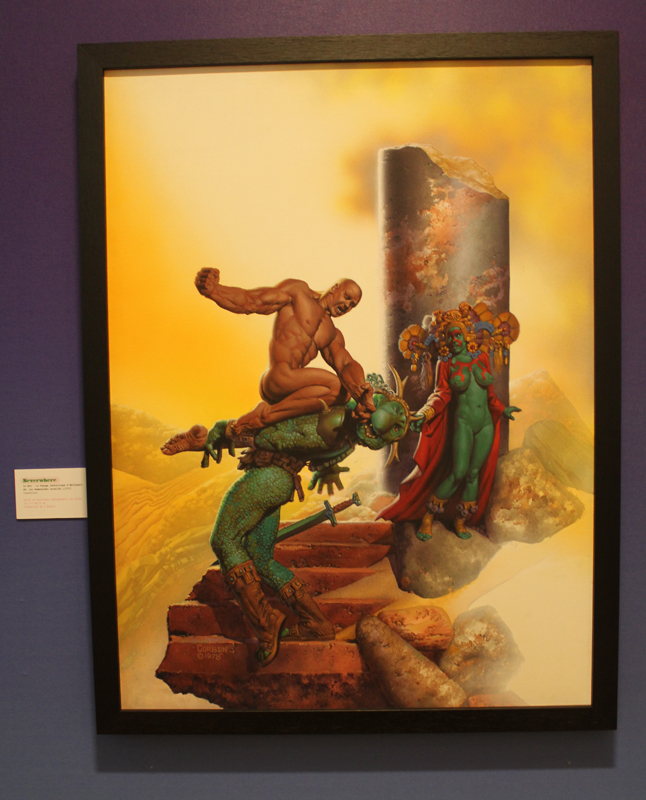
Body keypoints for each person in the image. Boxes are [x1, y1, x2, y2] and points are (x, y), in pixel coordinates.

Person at [161, 375, 413, 667]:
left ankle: (265, 622)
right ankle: (315, 622)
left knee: (224, 539)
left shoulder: (333, 421)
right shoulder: (342, 433)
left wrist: (221, 432)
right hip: (277, 480)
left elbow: (270, 435)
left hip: (268, 478)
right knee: (261, 558)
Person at [379, 311, 520, 540]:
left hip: (485, 424)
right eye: (450, 336)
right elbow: (441, 394)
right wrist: (425, 413)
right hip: (463, 423)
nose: (454, 340)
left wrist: (503, 410)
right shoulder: (446, 363)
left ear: (466, 336)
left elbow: (490, 395)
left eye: (458, 335)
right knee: (458, 472)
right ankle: (428, 516)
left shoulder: (481, 358)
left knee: (473, 474)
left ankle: (460, 520)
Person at [193, 268, 375, 432]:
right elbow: (252, 301)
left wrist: (362, 393)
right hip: (278, 377)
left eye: (353, 305)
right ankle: (264, 416)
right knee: (334, 384)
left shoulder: (332, 334)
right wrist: (214, 291)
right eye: (347, 297)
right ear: (335, 288)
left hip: (295, 391)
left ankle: (271, 414)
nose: (347, 305)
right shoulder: (299, 293)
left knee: (343, 392)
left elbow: (346, 364)